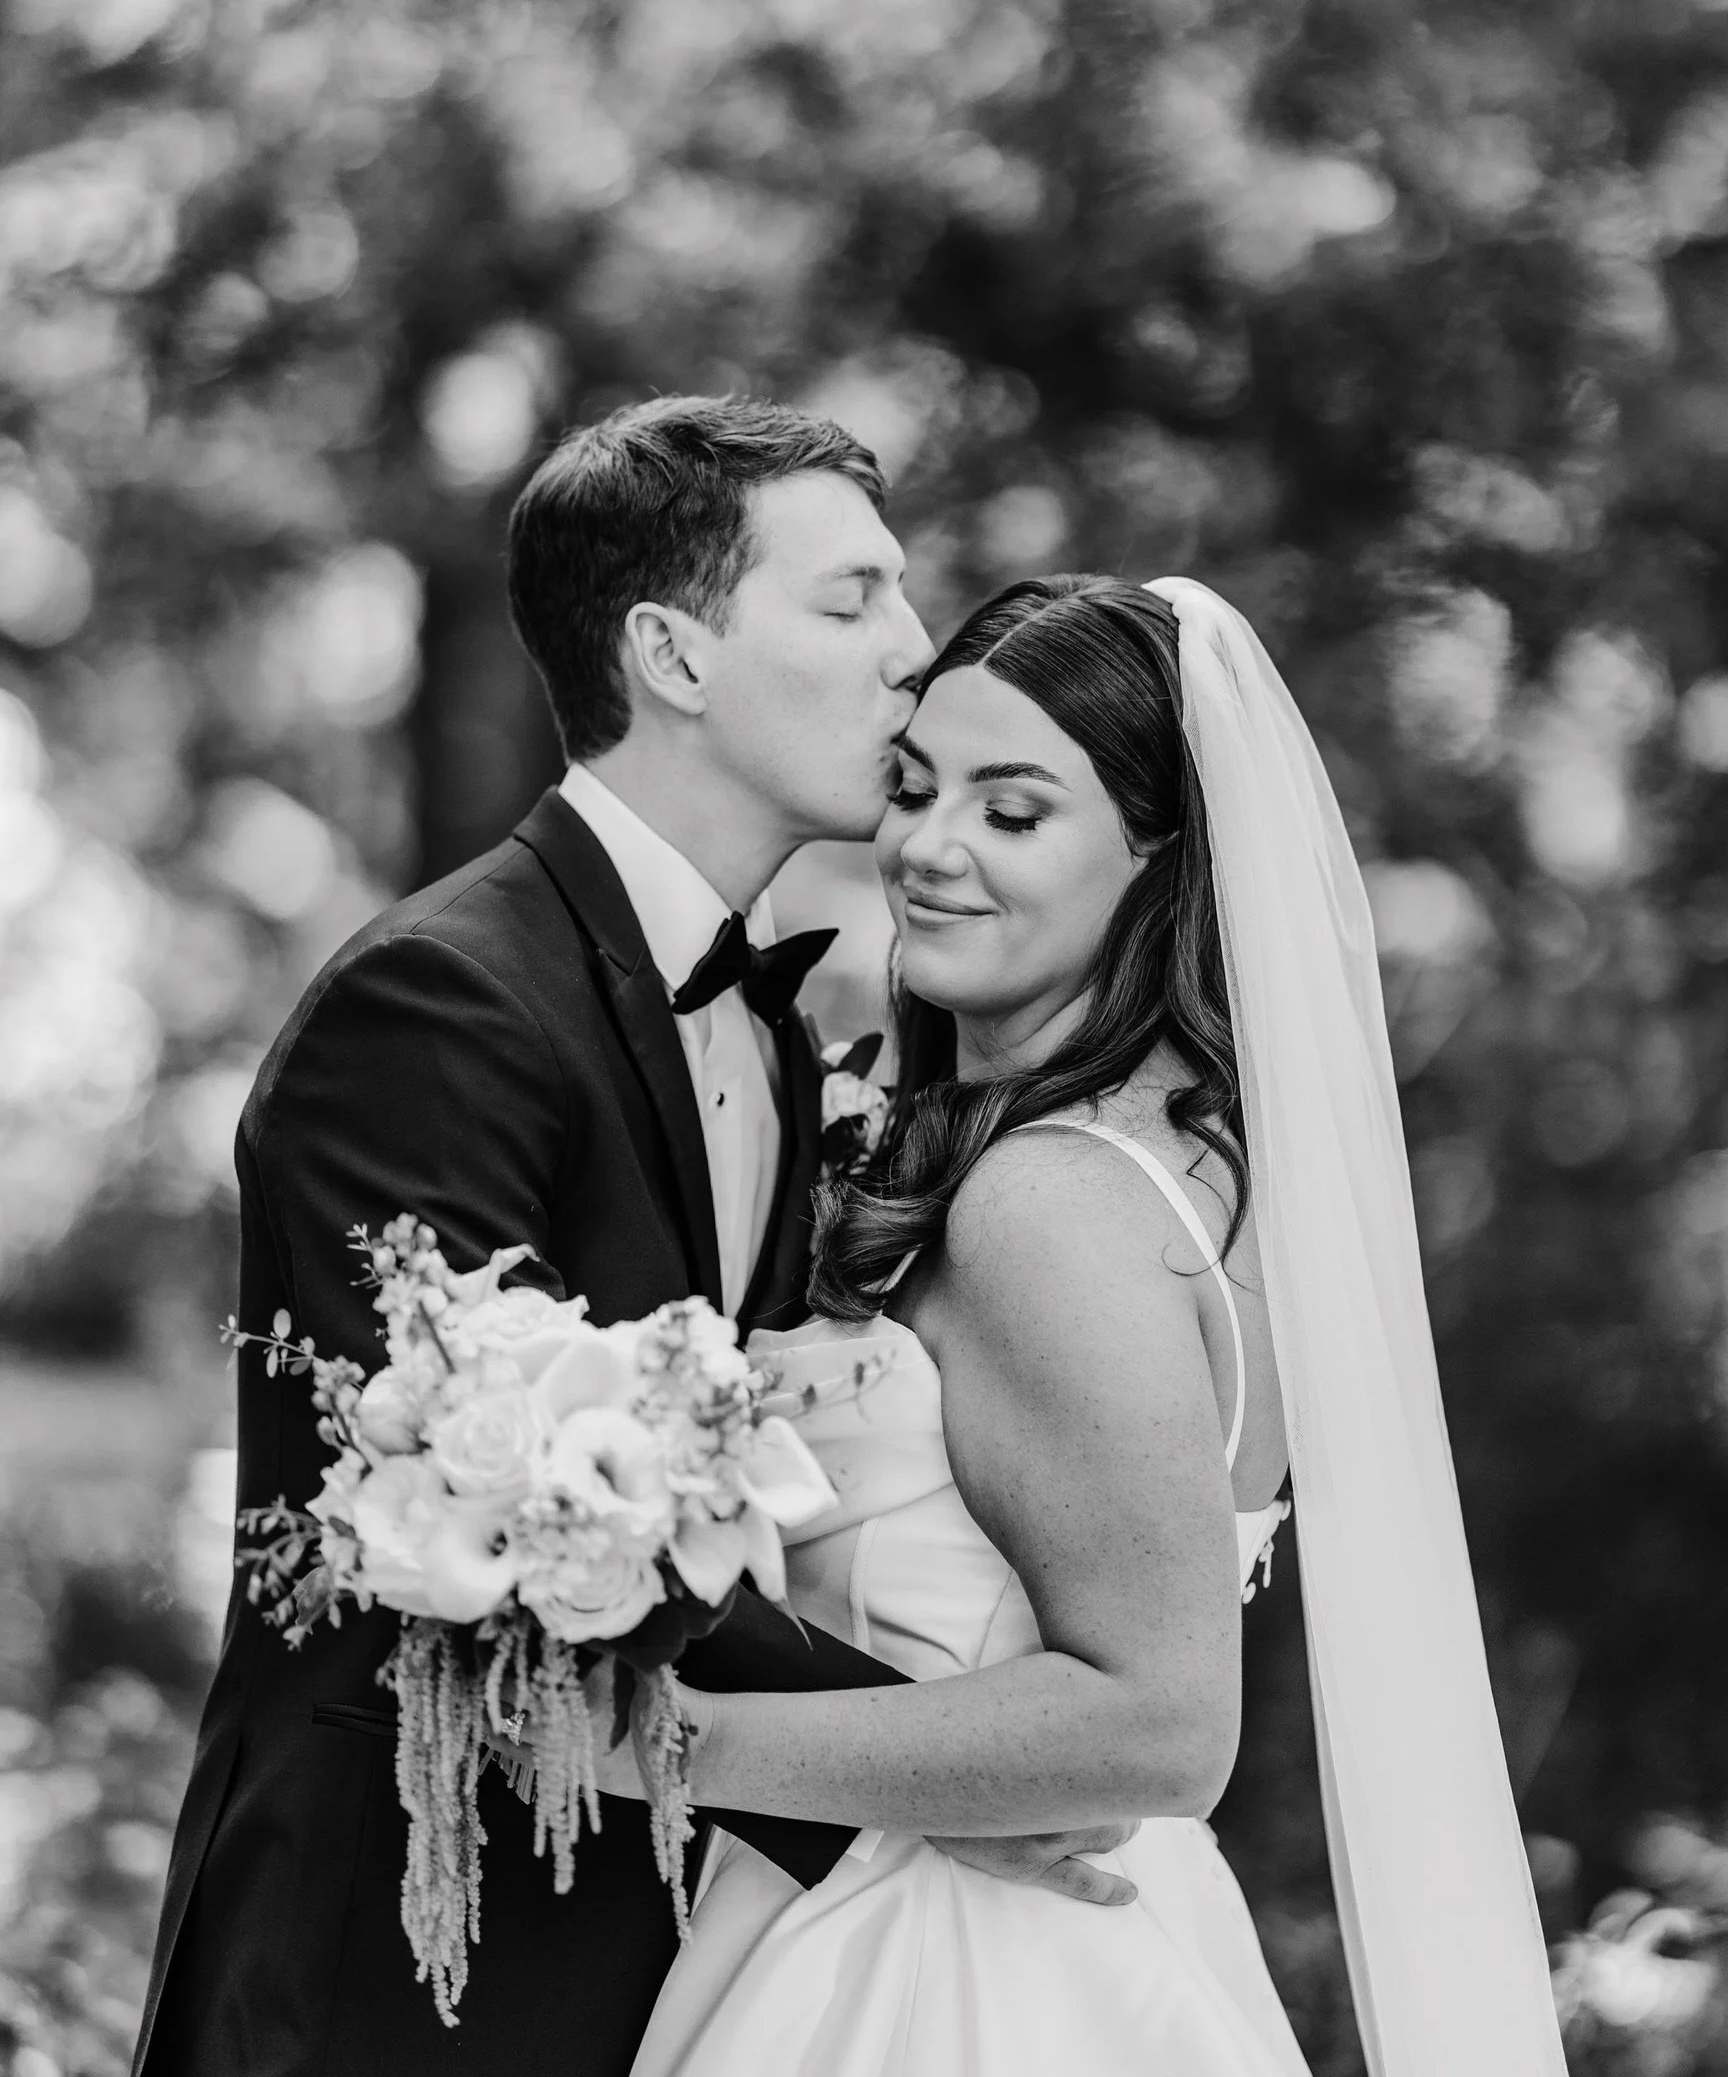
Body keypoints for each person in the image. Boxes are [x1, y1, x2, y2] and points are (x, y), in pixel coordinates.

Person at [132, 401, 1132, 2077]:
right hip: (393, 1959)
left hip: (660, 1932)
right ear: (671, 653)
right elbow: (490, 1511)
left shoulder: (780, 1025)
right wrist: (936, 1769)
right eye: (852, 600)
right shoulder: (439, 1001)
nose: (914, 653)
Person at [621, 574, 1568, 2077]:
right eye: (915, 787)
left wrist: (649, 1744)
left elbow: (1159, 1727)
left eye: (1013, 812)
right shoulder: (1198, 1171)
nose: (928, 848)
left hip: (951, 1980)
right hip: (1102, 1943)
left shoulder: (1047, 1207)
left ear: (1157, 862)